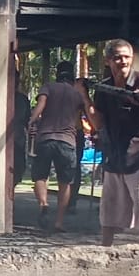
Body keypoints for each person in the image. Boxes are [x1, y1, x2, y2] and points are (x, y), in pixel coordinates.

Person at [86, 40, 139, 246]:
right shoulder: (104, 87)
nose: (123, 61)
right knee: (109, 208)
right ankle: (105, 252)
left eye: (127, 57)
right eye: (117, 57)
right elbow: (98, 122)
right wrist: (83, 96)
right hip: (114, 153)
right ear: (108, 60)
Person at [28, 62, 86, 233]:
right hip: (67, 141)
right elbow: (78, 120)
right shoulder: (77, 95)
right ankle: (59, 222)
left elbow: (40, 106)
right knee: (65, 182)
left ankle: (43, 204)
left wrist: (31, 121)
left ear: (57, 74)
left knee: (40, 176)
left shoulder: (48, 87)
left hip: (45, 138)